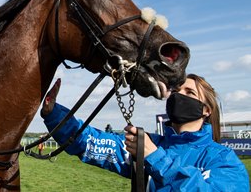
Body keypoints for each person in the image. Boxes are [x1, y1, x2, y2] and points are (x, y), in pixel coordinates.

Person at [41, 75, 249, 191]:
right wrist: (55, 116)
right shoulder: (147, 143)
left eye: (189, 92)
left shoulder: (223, 159)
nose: (179, 96)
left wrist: (154, 157)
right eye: (175, 92)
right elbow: (92, 143)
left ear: (206, 110)